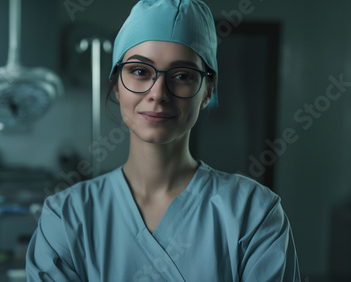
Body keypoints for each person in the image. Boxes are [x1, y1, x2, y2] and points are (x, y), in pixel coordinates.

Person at [26, 0, 301, 281]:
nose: (158, 93)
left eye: (182, 75)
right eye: (140, 71)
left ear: (207, 92)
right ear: (116, 85)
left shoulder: (254, 214)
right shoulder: (65, 218)